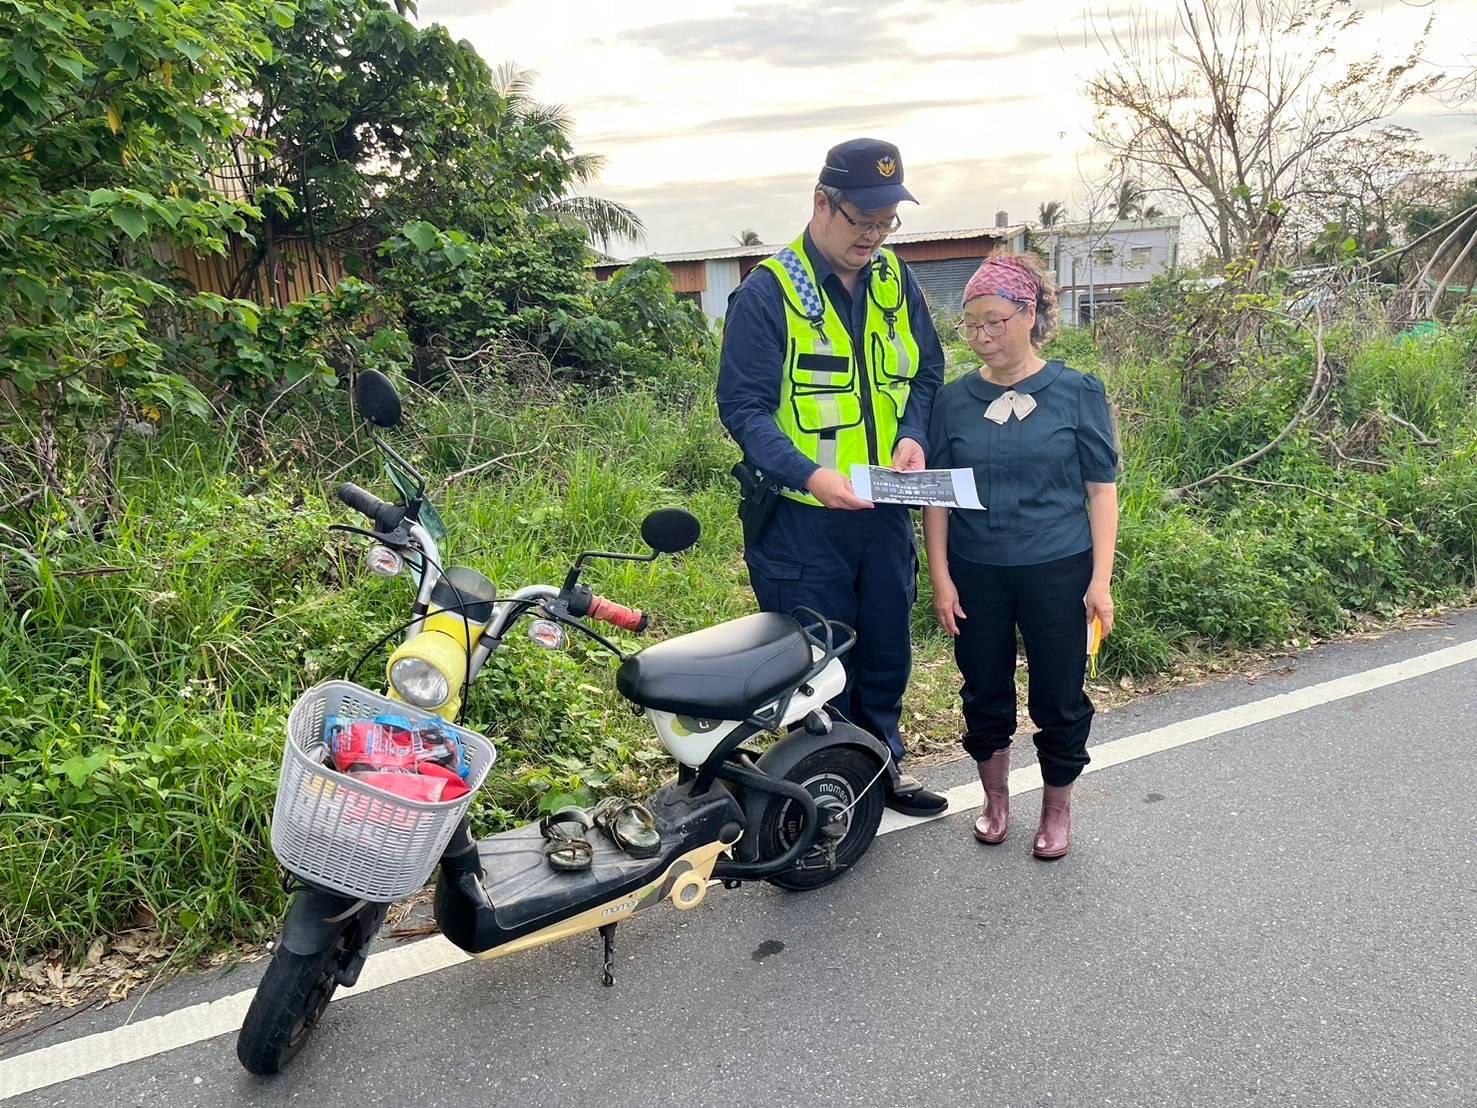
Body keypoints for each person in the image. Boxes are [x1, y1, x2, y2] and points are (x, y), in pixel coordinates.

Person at [717, 138, 947, 817]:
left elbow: (927, 371)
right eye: (861, 220)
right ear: (822, 203)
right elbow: (743, 408)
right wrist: (809, 474)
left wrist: (913, 434)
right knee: (817, 663)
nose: (873, 236)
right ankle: (823, 787)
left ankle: (882, 771)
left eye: (885, 223)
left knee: (884, 650)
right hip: (801, 520)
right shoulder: (768, 292)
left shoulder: (891, 278)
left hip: (882, 509)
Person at [923, 253, 1119, 858]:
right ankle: (996, 800)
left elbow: (1101, 490)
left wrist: (1100, 581)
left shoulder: (1078, 392)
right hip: (977, 570)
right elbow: (939, 496)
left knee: (1059, 693)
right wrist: (941, 577)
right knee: (983, 687)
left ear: (1028, 314)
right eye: (971, 325)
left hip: (1058, 567)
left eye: (994, 322)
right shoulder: (953, 402)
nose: (982, 337)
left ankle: (1056, 812)